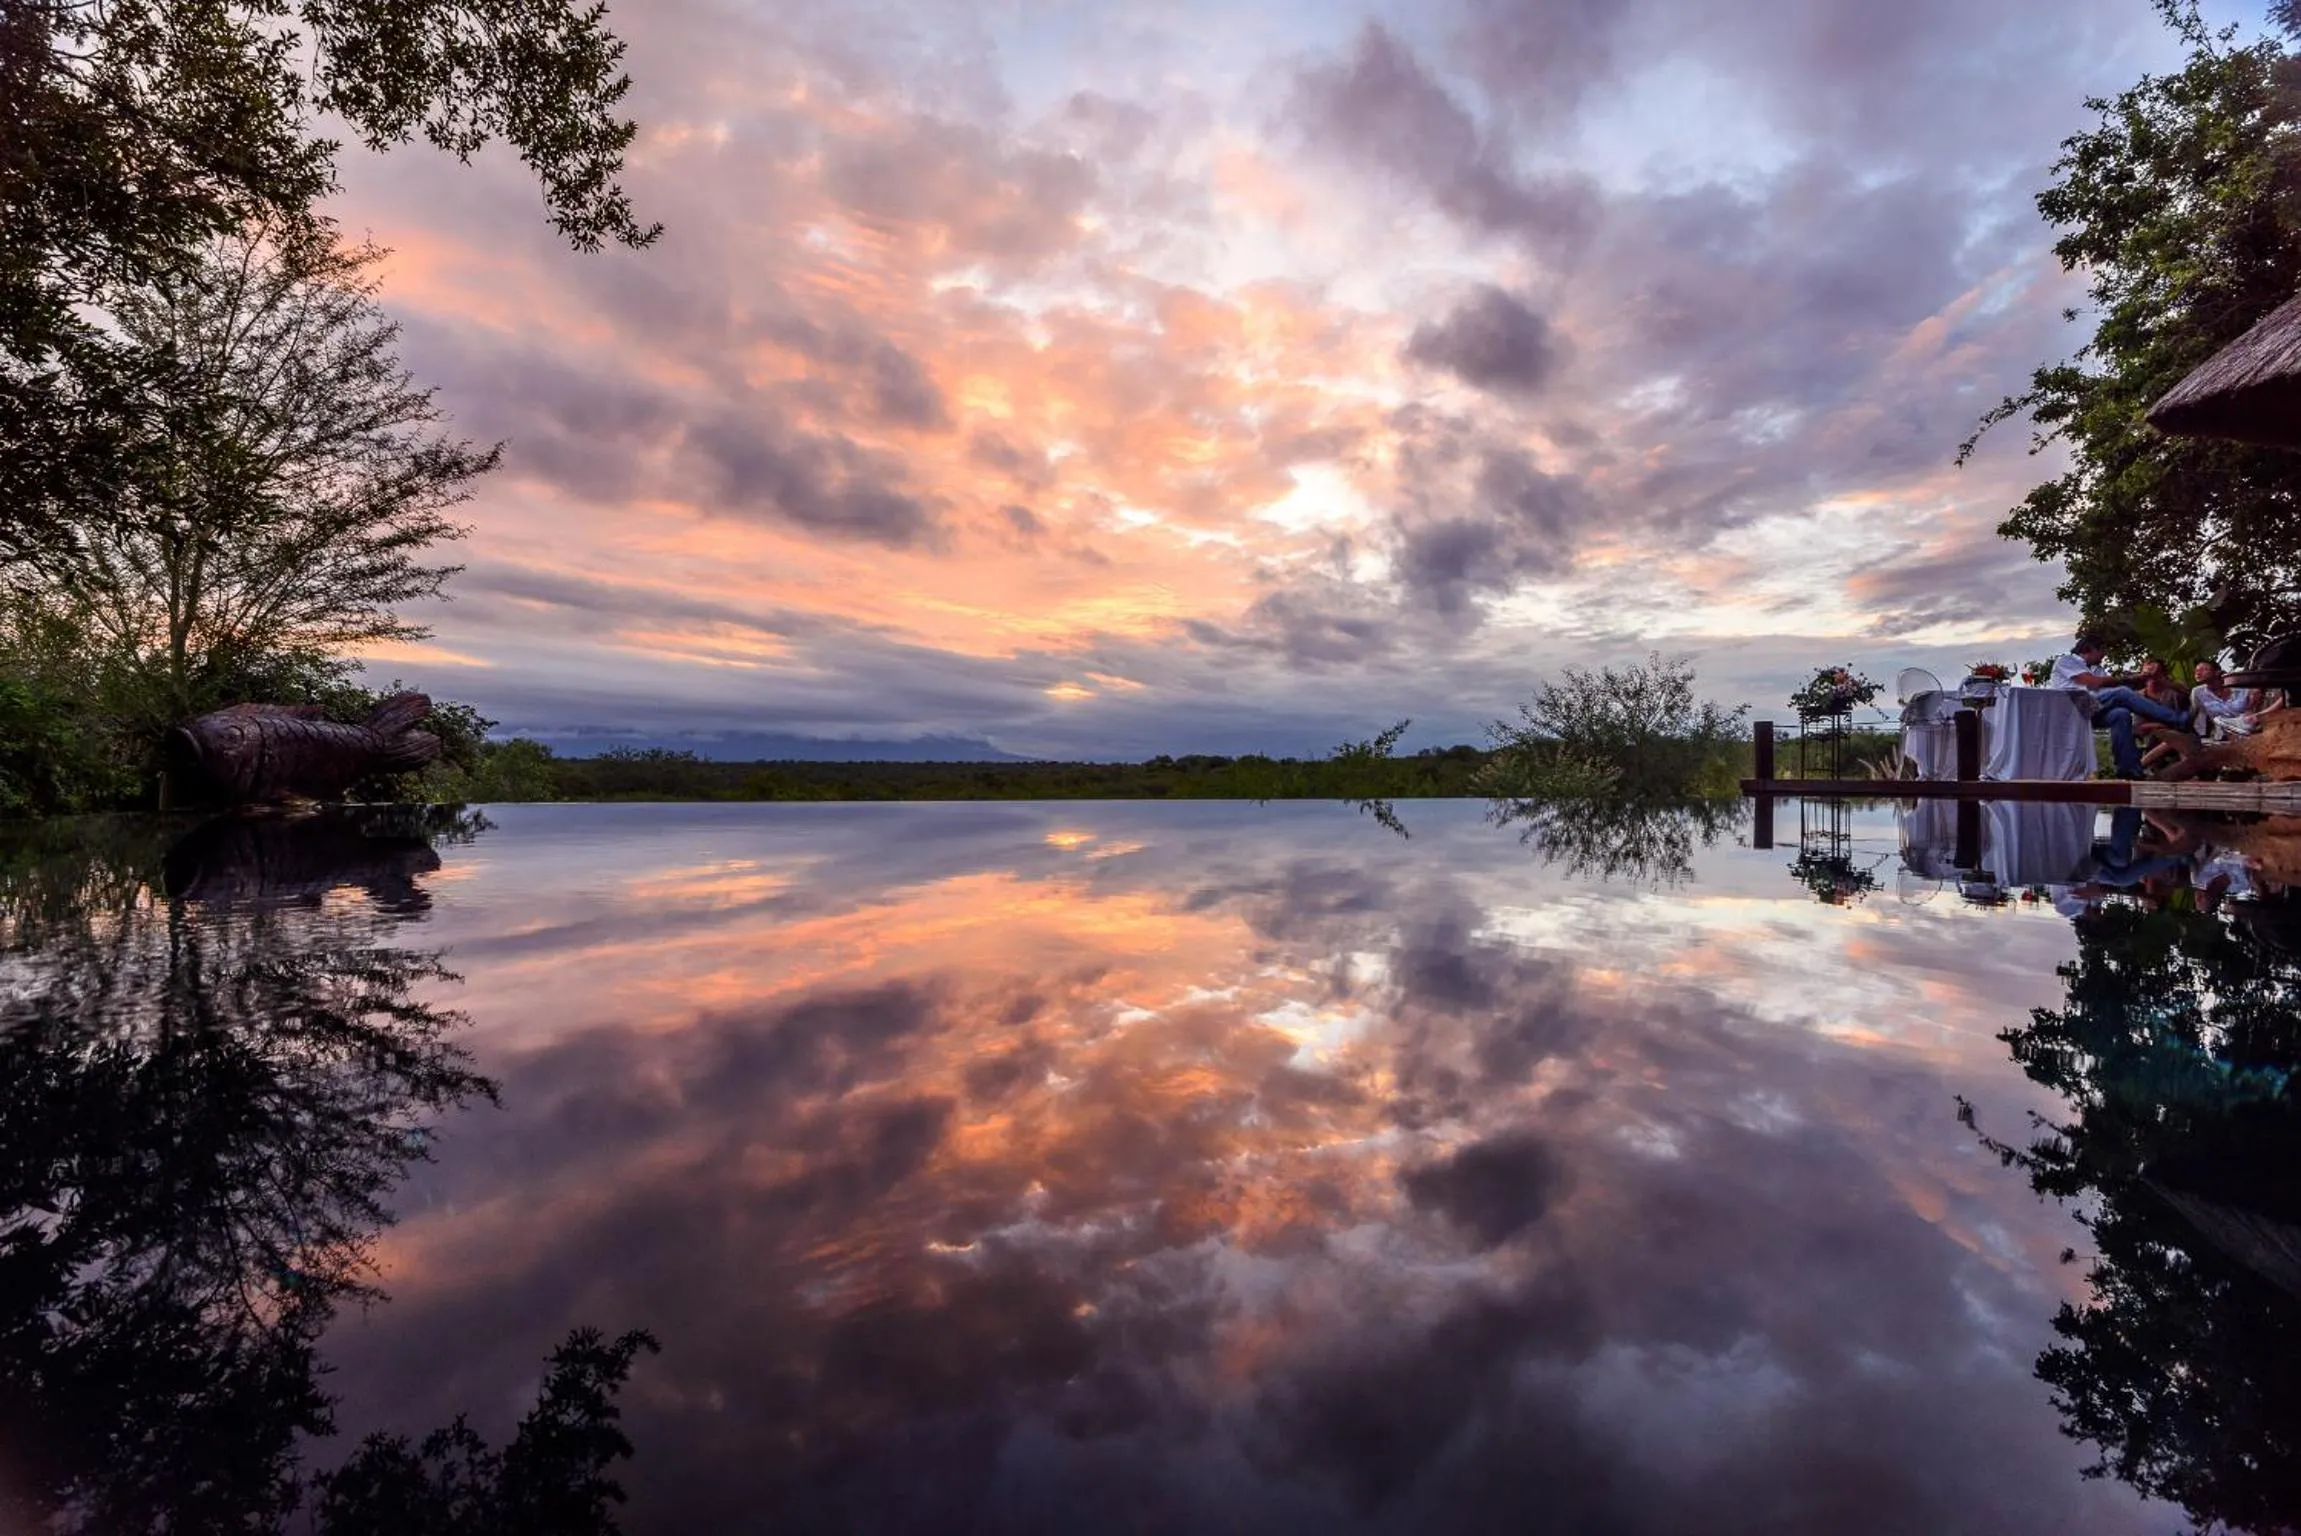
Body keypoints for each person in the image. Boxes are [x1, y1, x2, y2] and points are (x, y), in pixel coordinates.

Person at [2049, 631, 2192, 778]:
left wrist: (2150, 678)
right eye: (2102, 650)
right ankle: (2178, 719)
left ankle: (2127, 768)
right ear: (2090, 649)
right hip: (2071, 707)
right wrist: (2135, 677)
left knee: (2121, 714)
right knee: (2122, 692)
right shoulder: (2067, 661)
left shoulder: (2096, 669)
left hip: (2090, 708)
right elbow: (2094, 683)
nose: (2104, 655)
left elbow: (2113, 688)